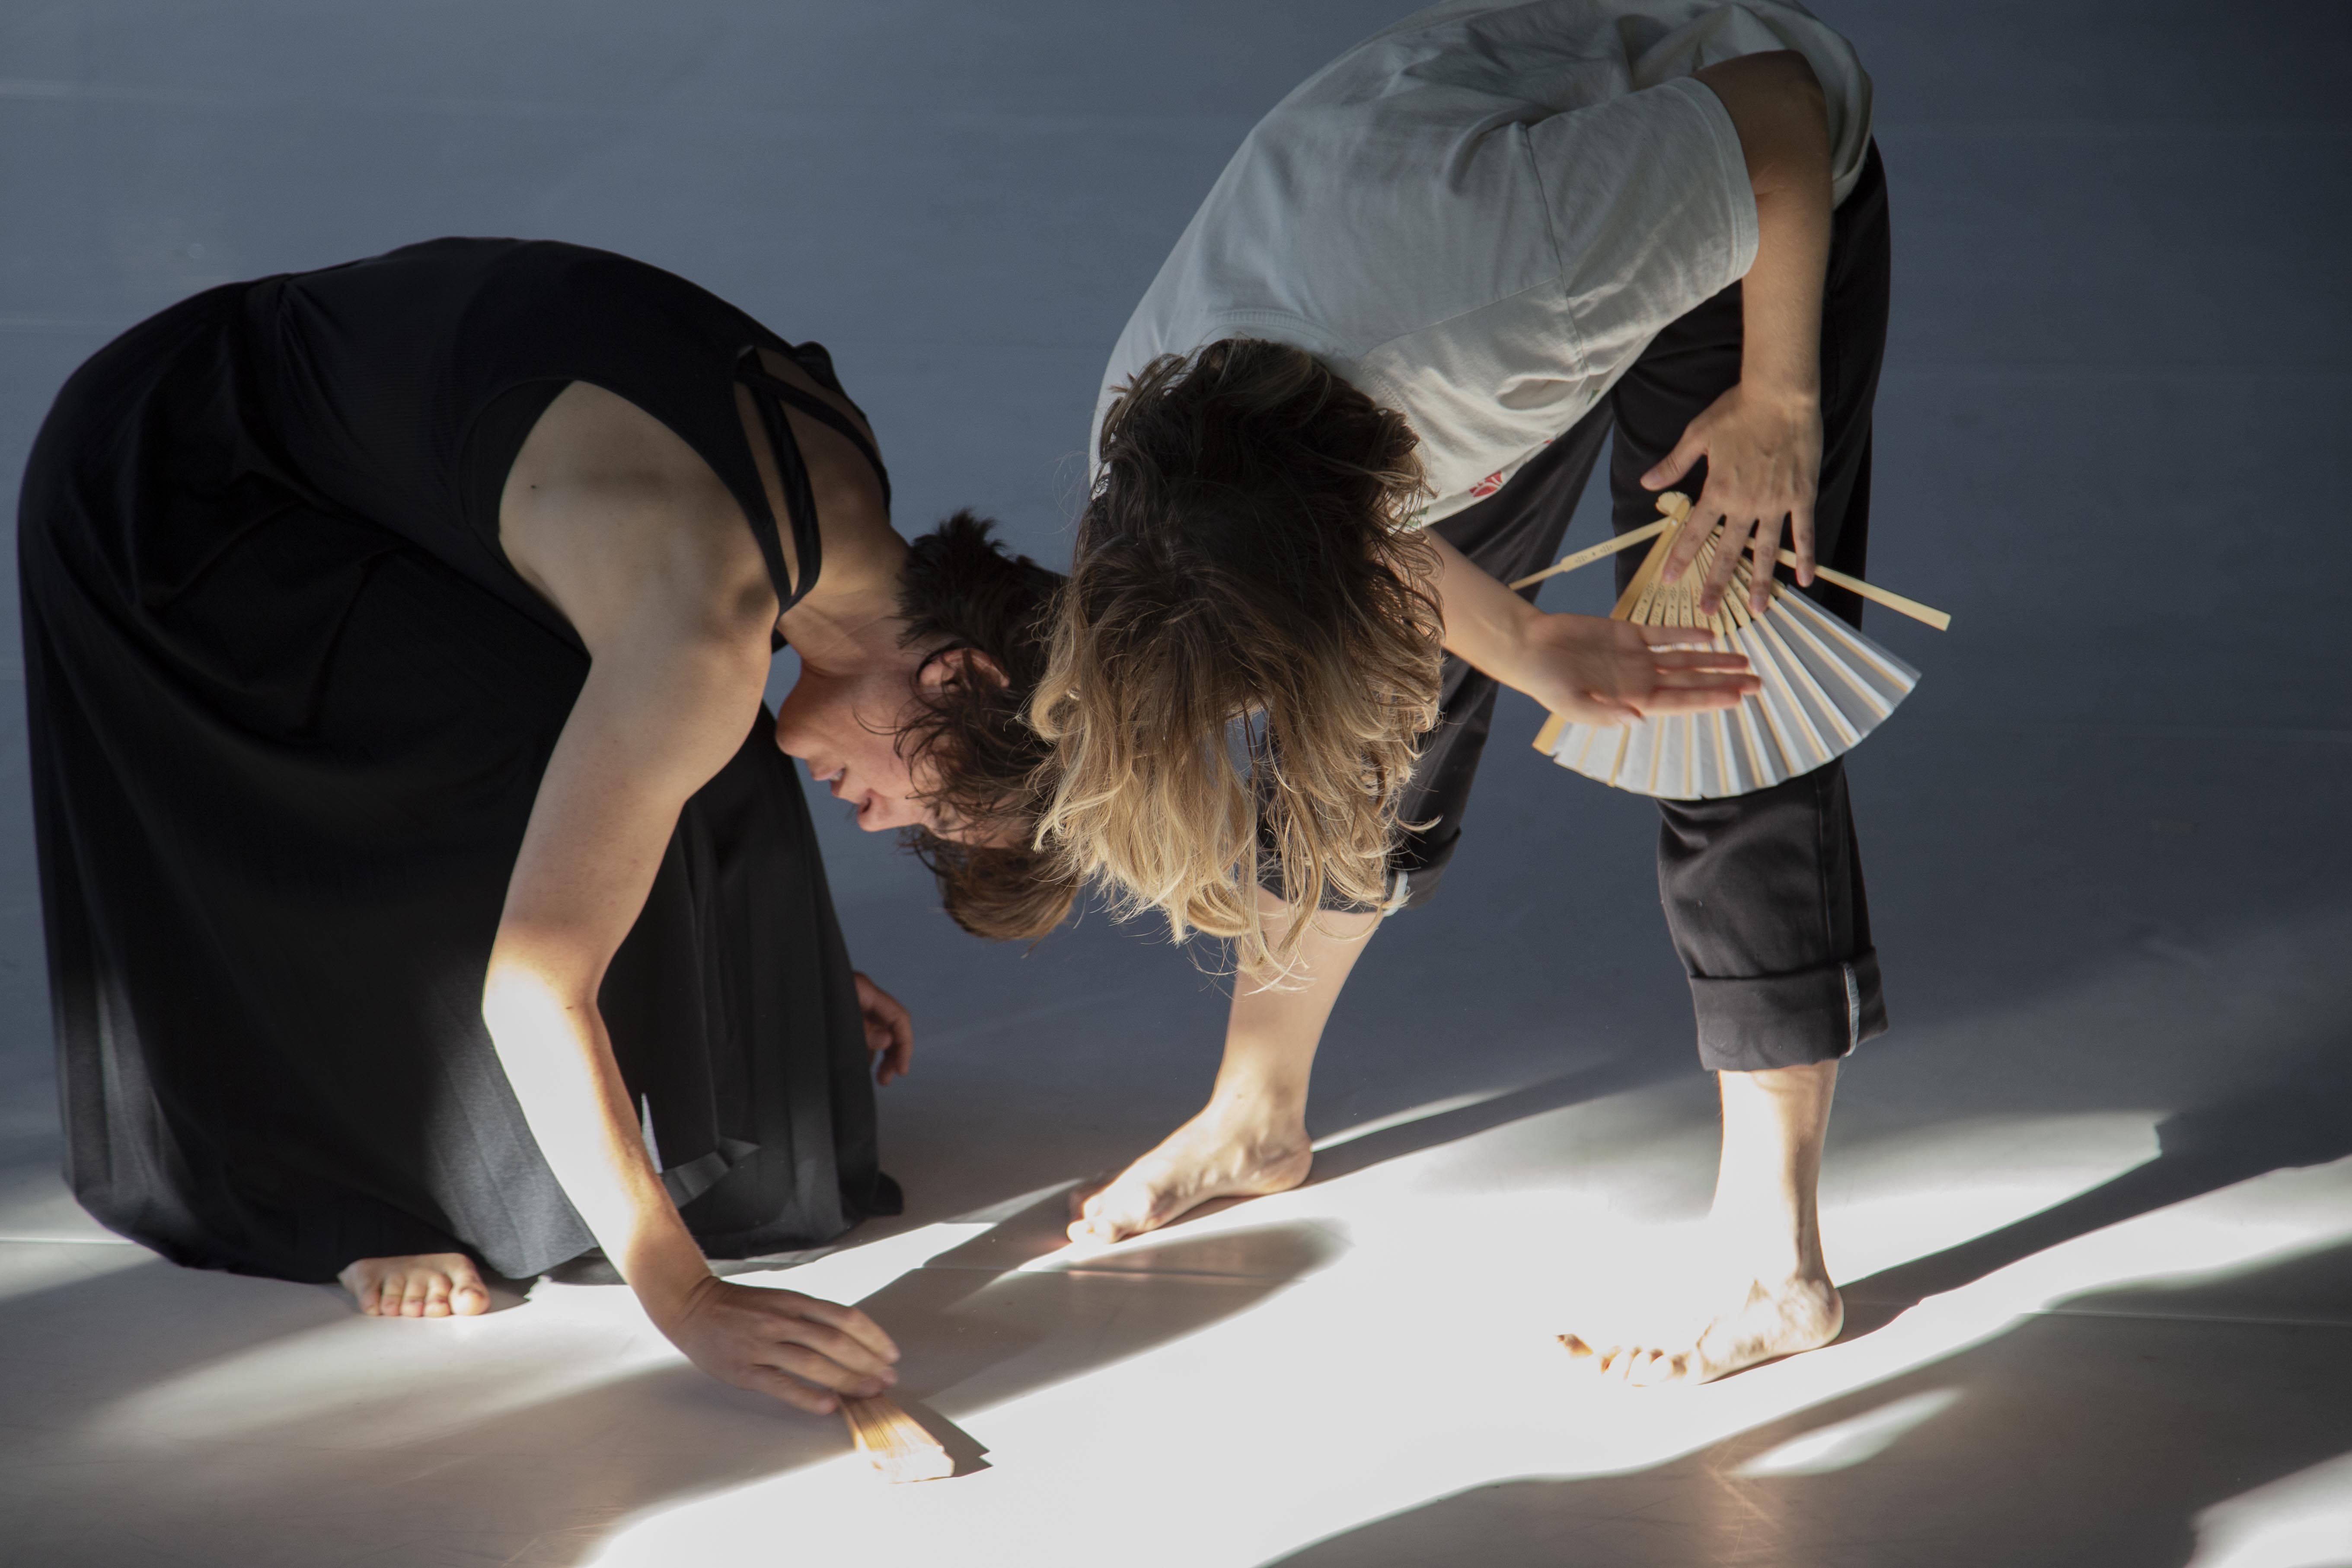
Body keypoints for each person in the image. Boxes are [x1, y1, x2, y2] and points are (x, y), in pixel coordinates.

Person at [19, 237, 1066, 1413]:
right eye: (940, 806)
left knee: (692, 750)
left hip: (290, 451)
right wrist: (687, 1298)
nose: (886, 824)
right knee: (540, 759)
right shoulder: (701, 623)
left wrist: (752, 950)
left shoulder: (834, 500)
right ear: (964, 678)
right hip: (170, 491)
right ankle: (371, 1182)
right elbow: (532, 984)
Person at [1037, 0, 1890, 1384]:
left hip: (1750, 184)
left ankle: (1772, 1252)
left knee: (1726, 694)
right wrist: (1521, 641)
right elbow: (1341, 546)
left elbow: (1777, 108)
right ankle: (1255, 1110)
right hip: (1452, 276)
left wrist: (1777, 399)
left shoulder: (1515, 283)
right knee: (1382, 712)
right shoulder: (1151, 457)